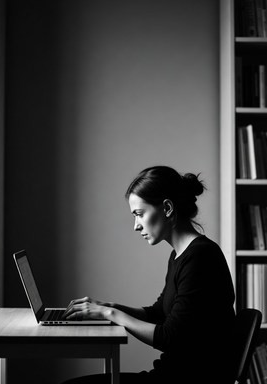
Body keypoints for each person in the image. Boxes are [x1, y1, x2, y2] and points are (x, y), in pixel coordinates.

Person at [62, 165, 236, 384]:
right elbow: (158, 313)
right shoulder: (180, 255)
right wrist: (108, 307)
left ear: (167, 208)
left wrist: (109, 315)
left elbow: (169, 338)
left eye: (140, 214)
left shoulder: (200, 257)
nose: (136, 226)